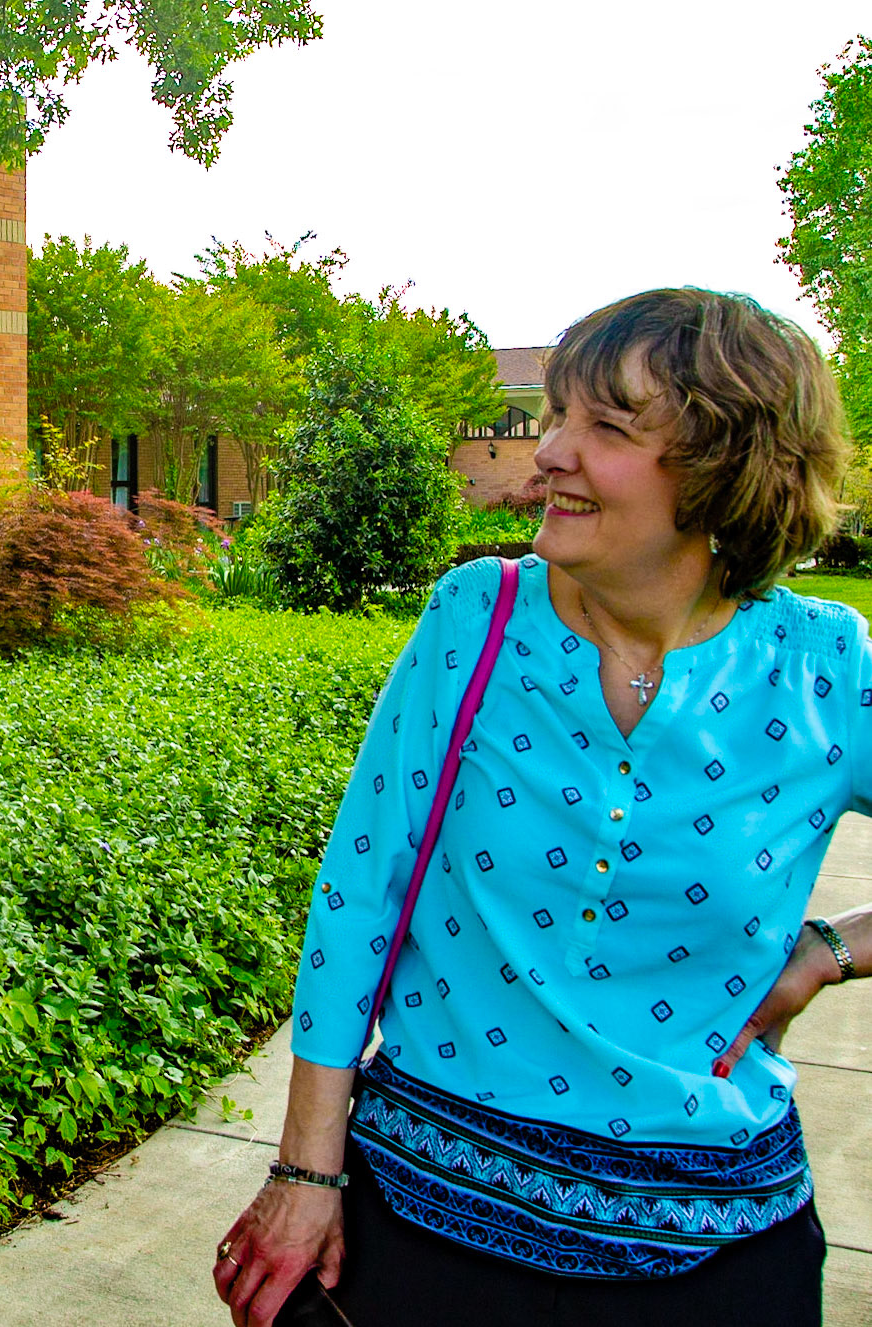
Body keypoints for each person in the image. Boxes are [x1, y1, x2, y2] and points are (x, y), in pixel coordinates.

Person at [212, 288, 868, 1327]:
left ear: (723, 465)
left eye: (604, 426)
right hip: (425, 1226)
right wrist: (305, 1173)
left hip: (718, 1250)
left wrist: (830, 949)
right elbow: (357, 893)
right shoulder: (474, 622)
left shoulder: (822, 667)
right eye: (554, 414)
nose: (548, 453)